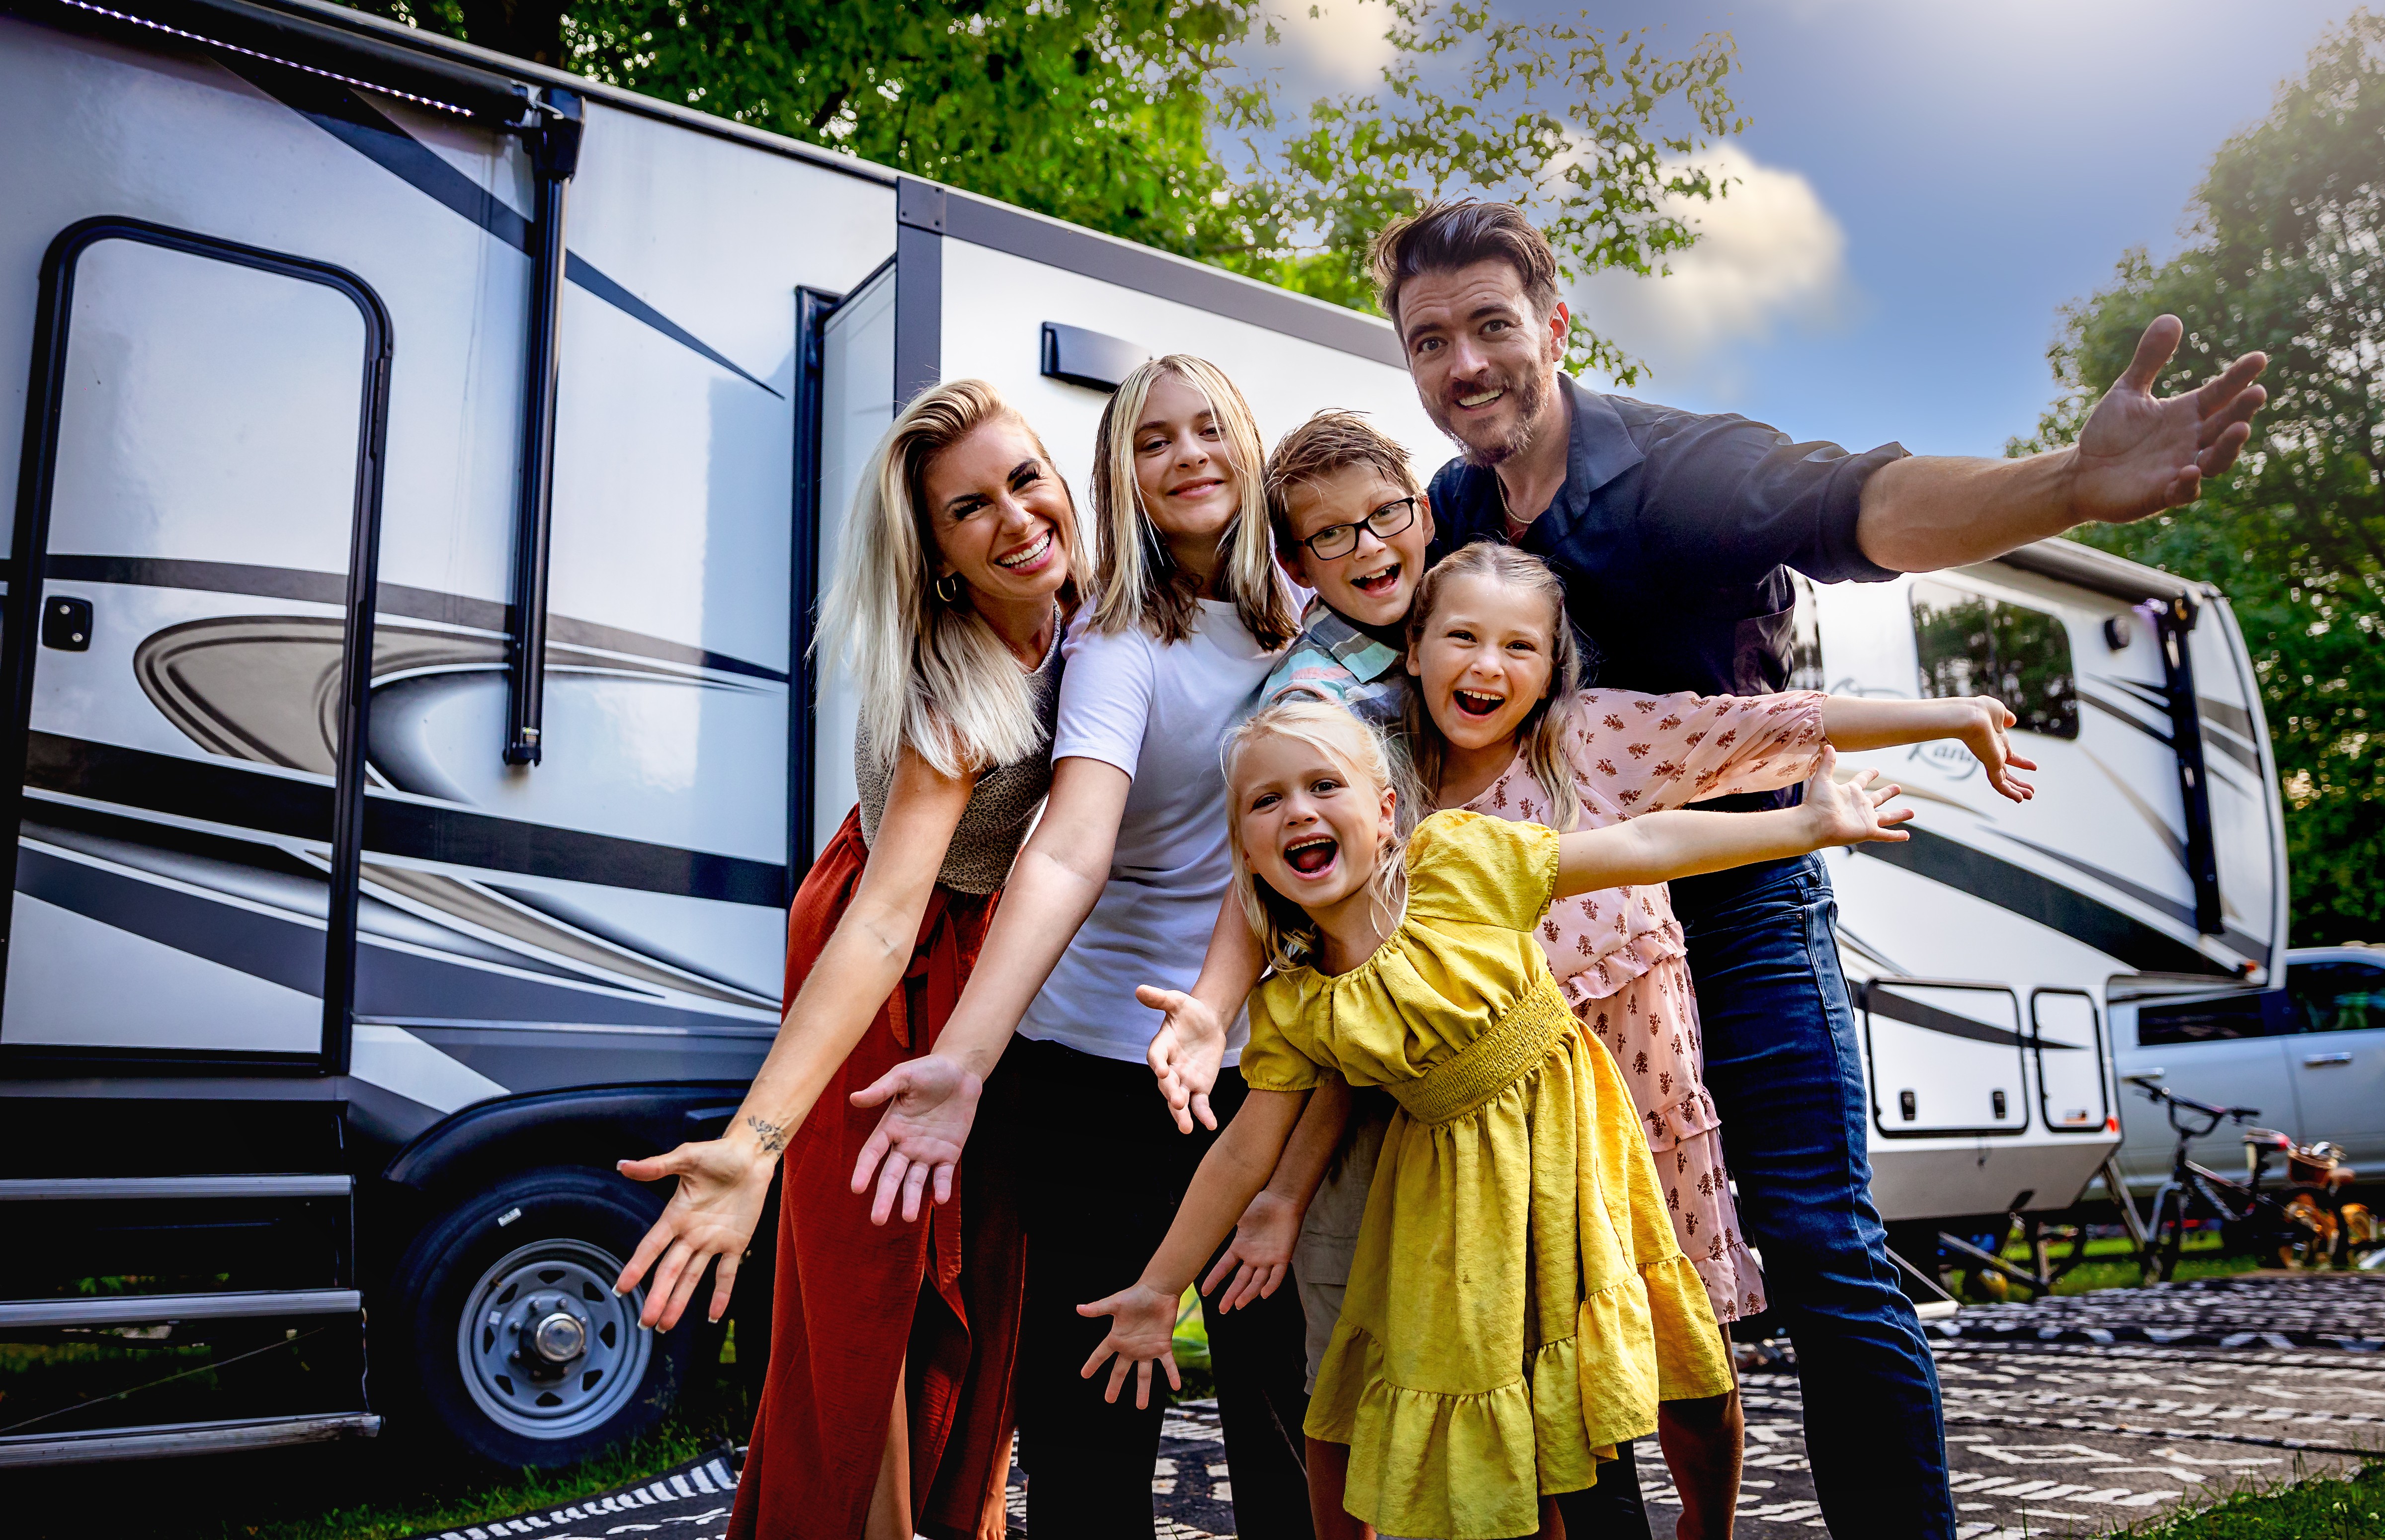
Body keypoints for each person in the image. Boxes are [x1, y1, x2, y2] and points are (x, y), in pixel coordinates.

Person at [1372, 197, 2269, 1536]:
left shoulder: (1677, 469)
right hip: (1575, 936)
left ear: (1554, 329)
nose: (1464, 365)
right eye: (1429, 340)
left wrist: (2067, 485)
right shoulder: (1452, 509)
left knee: (1819, 1243)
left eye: (1491, 326)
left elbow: (1866, 504)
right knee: (1576, 1266)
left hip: (1742, 902)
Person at [1084, 699, 1920, 1540]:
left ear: (1385, 813)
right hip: (1454, 1209)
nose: (1297, 811)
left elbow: (1641, 845)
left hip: (1573, 1158)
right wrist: (1159, 1287)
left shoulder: (1456, 865)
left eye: (1323, 786)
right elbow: (1242, 1153)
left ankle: (1708, 1525)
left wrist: (1805, 827)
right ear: (1248, 853)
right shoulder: (1300, 1001)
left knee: (1688, 1383)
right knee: (1514, 1428)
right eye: (1266, 802)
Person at [1396, 541, 2034, 1538]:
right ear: (1414, 648)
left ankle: (1708, 1523)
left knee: (1687, 1365)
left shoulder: (1589, 739)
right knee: (1553, 1370)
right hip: (1512, 1142)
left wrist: (1953, 715)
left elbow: (1765, 723)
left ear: (1554, 667)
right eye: (1462, 637)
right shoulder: (1394, 790)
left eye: (1519, 646)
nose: (1488, 665)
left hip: (1647, 1120)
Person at [838, 355, 1316, 1539]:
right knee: (1095, 1409)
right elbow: (1067, 847)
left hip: (1266, 1059)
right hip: (1102, 1063)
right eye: (1154, 440)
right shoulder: (1117, 638)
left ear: (1250, 444)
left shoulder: (1312, 614)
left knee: (1284, 1390)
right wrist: (967, 1057)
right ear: (1118, 475)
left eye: (1210, 427)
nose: (1189, 455)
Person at [606, 379, 1081, 1540]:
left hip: (994, 947)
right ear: (938, 556)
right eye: (970, 508)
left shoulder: (1098, 611)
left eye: (1026, 479)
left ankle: (958, 1511)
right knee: (877, 1277)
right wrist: (754, 1143)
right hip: (891, 941)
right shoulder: (952, 690)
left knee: (990, 1259)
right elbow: (883, 918)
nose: (1016, 517)